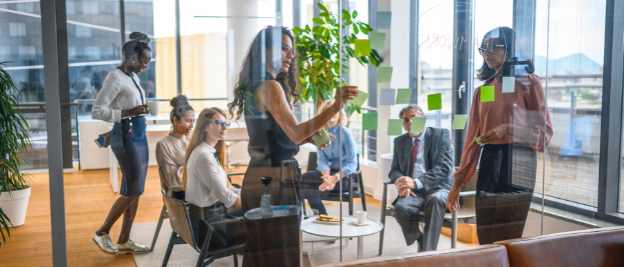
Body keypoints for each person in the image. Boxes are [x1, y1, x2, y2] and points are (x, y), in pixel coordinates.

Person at [227, 25, 359, 267]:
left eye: (292, 50)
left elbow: (280, 136)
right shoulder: (270, 86)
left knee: (262, 250)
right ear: (265, 51)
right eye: (284, 48)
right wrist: (334, 106)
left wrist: (306, 138)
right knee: (281, 250)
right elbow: (296, 132)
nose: (291, 55)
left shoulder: (257, 85)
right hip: (275, 179)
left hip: (261, 175)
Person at [447, 27, 553, 244]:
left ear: (510, 49)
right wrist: (457, 183)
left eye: (494, 46)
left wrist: (508, 127)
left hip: (520, 160)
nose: (488, 52)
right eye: (484, 47)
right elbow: (473, 140)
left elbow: (545, 135)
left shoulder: (529, 82)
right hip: (491, 159)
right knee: (486, 231)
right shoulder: (482, 90)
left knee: (509, 233)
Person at [91, 32, 152, 254]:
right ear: (133, 58)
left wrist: (138, 110)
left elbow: (131, 109)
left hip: (139, 134)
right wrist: (129, 111)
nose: (145, 66)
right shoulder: (114, 78)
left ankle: (125, 240)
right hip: (125, 136)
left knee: (136, 189)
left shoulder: (133, 77)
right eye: (144, 61)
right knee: (132, 189)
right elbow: (97, 111)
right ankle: (101, 233)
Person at [389, 104, 454, 252]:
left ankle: (427, 254)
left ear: (424, 119)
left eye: (413, 117)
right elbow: (394, 170)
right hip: (413, 191)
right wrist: (402, 182)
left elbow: (445, 167)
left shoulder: (441, 135)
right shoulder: (400, 141)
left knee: (435, 200)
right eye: (405, 120)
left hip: (439, 187)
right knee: (400, 209)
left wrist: (416, 182)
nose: (409, 122)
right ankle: (421, 239)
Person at [183, 107, 245, 246]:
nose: (224, 127)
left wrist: (251, 196)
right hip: (208, 228)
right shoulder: (203, 156)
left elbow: (228, 189)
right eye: (218, 123)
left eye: (225, 123)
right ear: (204, 126)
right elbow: (226, 196)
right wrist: (254, 204)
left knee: (260, 216)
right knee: (263, 223)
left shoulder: (209, 152)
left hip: (213, 218)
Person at [300, 99, 357, 215]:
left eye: (334, 110)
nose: (331, 113)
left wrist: (334, 178)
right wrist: (327, 177)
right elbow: (322, 159)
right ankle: (321, 217)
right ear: (323, 114)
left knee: (309, 187)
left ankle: (296, 212)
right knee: (305, 179)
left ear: (340, 114)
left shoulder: (346, 133)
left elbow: (352, 164)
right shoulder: (320, 133)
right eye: (327, 110)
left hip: (345, 179)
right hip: (327, 174)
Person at [155, 95, 195, 200]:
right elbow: (172, 180)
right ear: (175, 120)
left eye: (193, 121)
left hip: (196, 187)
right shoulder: (163, 145)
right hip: (182, 193)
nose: (192, 125)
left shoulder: (191, 139)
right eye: (188, 121)